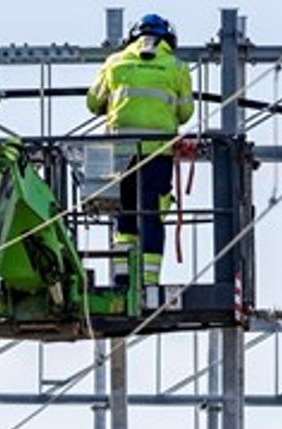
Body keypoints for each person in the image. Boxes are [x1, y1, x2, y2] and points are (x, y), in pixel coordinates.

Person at [87, 14, 195, 290]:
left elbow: (93, 102)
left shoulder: (115, 63)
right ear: (167, 39)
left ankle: (123, 279)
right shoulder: (177, 67)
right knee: (152, 214)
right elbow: (185, 113)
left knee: (123, 213)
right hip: (158, 154)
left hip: (119, 153)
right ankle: (148, 281)